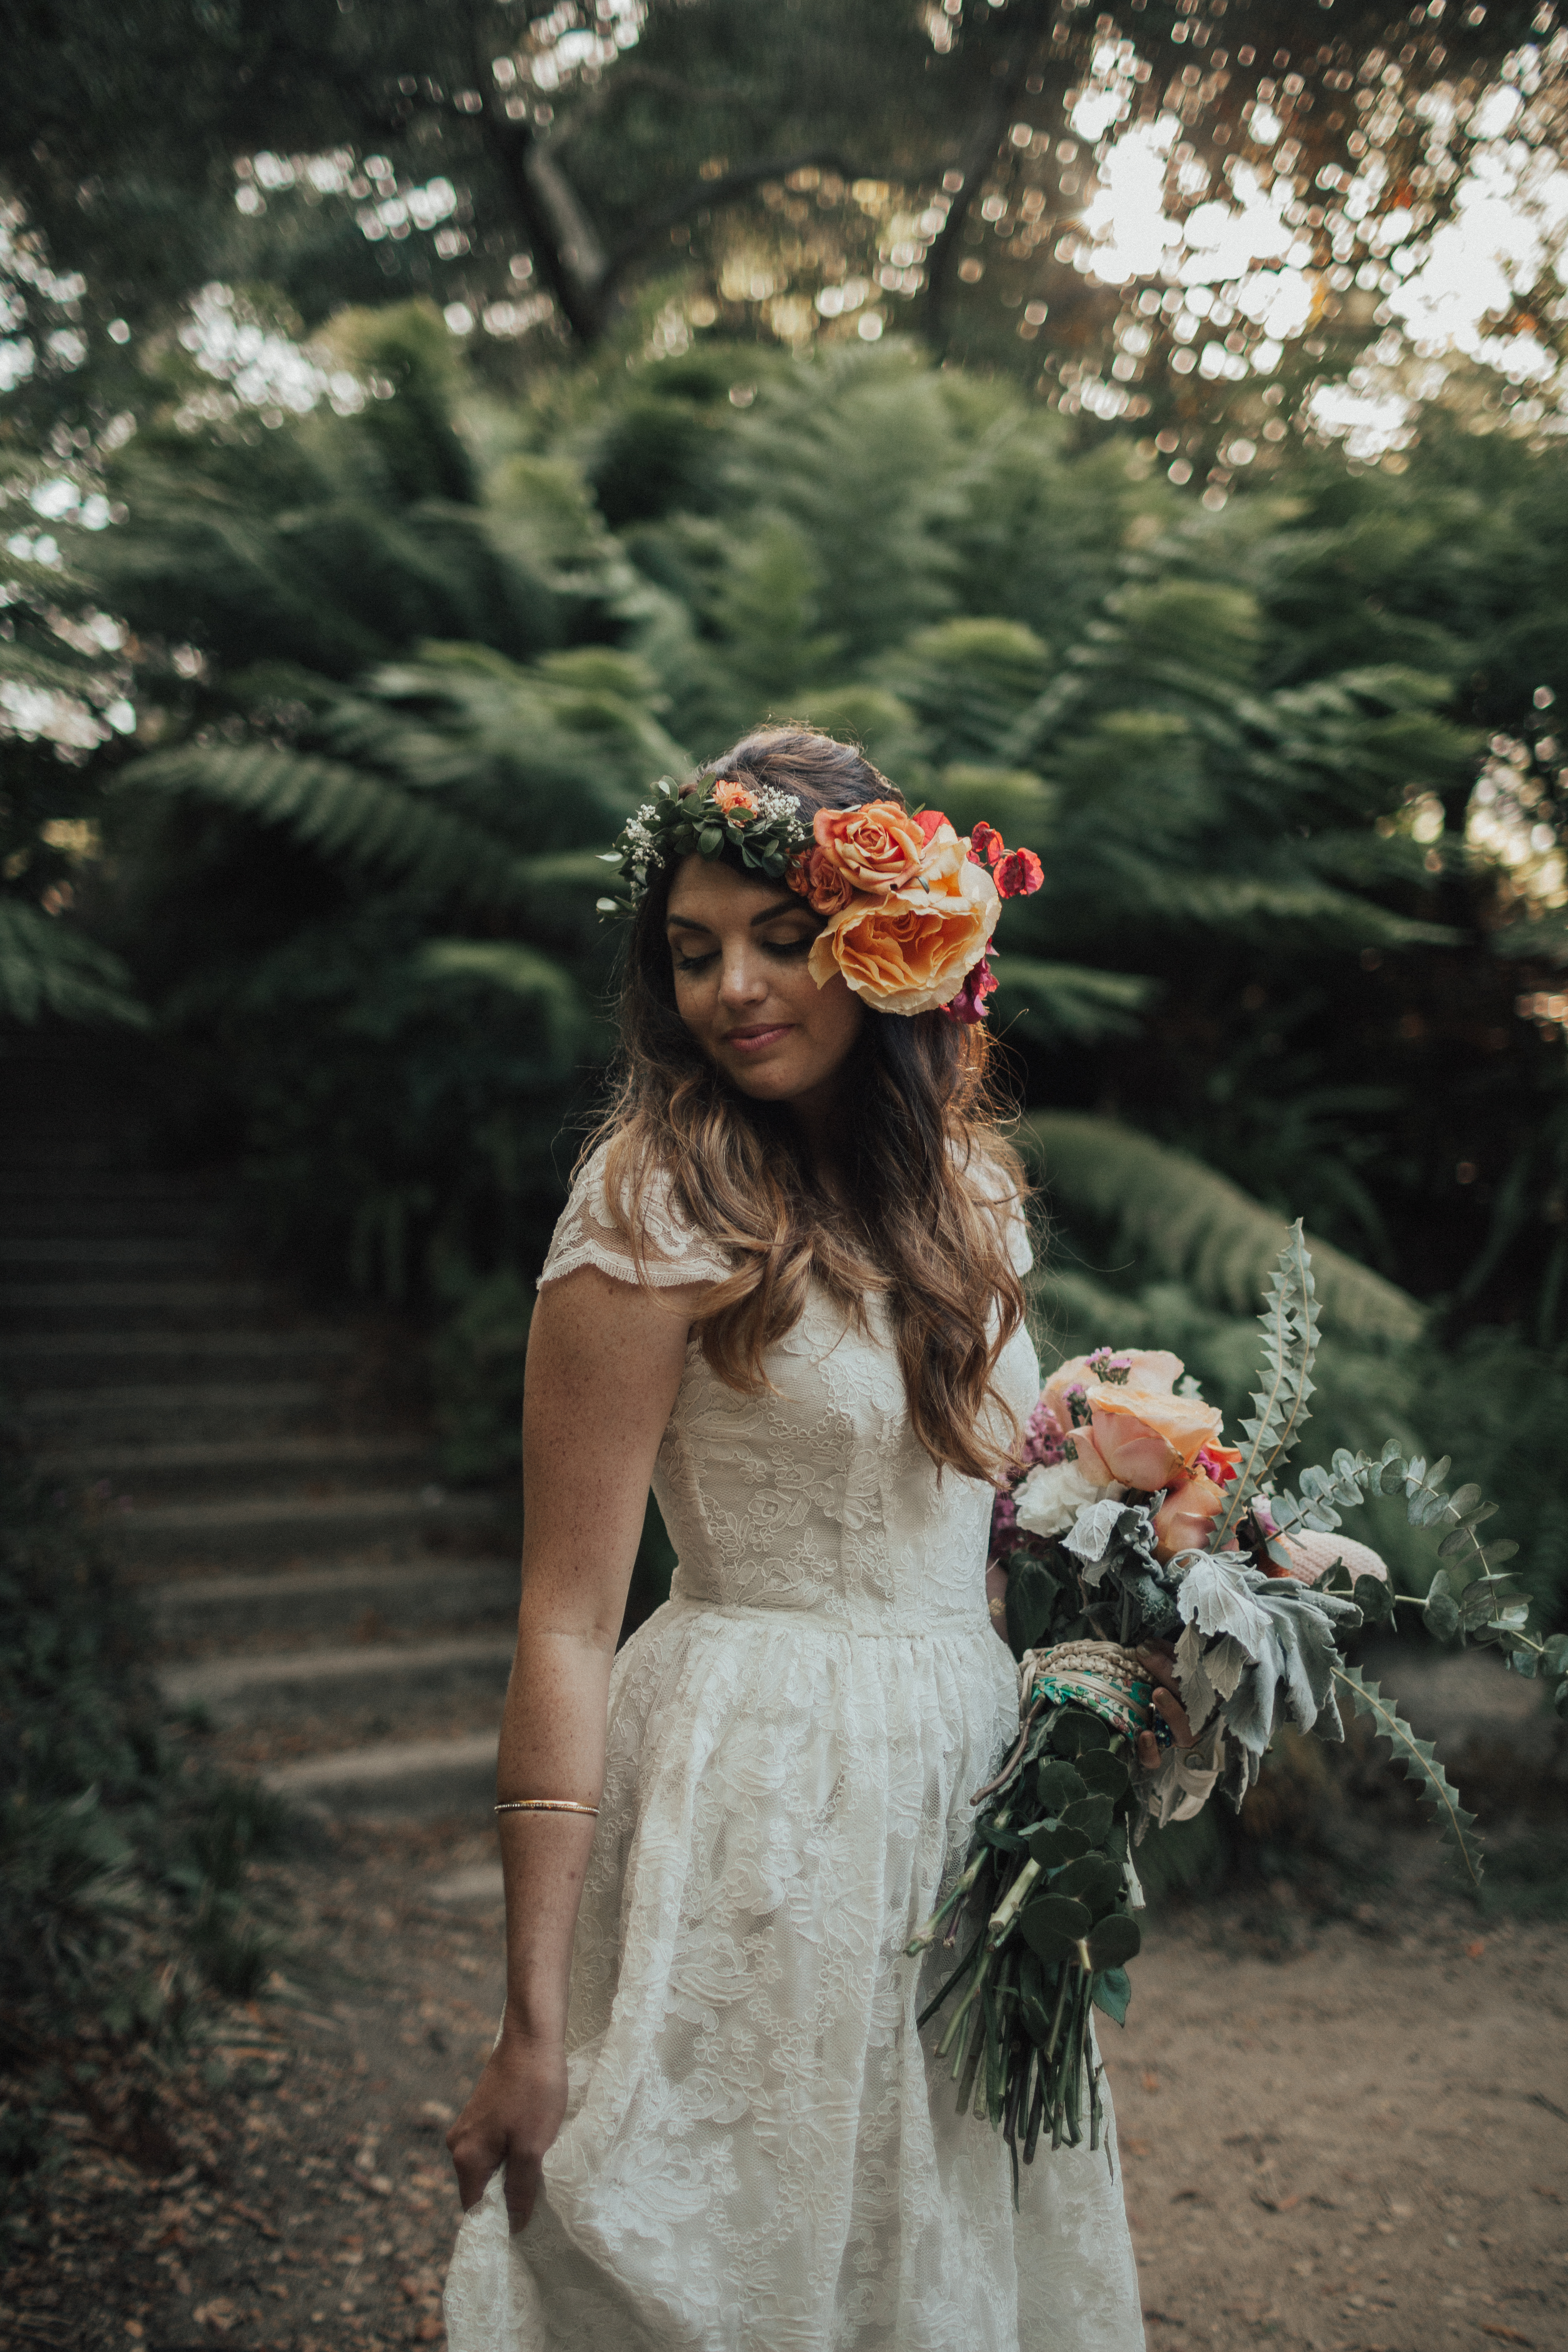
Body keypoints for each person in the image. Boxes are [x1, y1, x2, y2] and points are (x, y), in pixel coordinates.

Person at [442, 728, 1151, 2351]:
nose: (731, 990)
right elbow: (563, 1617)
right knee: (731, 2244)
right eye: (691, 955)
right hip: (747, 1779)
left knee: (931, 2235)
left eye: (776, 938)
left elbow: (984, 1519)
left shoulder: (970, 1190)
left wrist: (1144, 1606)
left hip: (961, 1776)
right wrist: (531, 2018)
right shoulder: (651, 1204)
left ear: (886, 944)